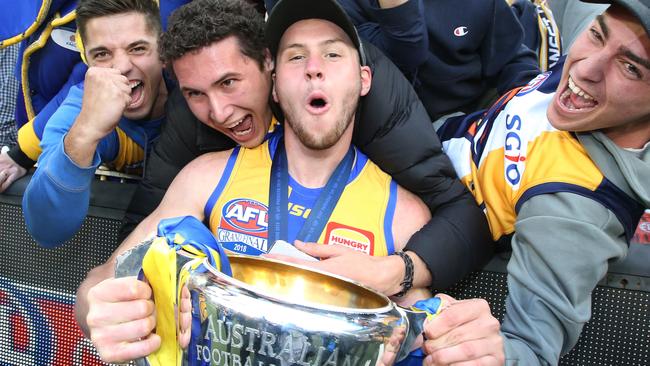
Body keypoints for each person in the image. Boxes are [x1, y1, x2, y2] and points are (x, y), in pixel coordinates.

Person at [76, 0, 434, 362]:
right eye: (296, 58)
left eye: (331, 56)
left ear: (363, 80)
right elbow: (99, 283)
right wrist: (106, 313)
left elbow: (427, 332)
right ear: (275, 84)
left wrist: (455, 340)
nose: (314, 70)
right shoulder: (205, 175)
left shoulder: (403, 213)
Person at [120, 0, 492, 292]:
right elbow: (141, 234)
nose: (218, 111)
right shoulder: (194, 117)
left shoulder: (378, 105)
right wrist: (127, 296)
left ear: (267, 69)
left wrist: (397, 272)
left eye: (230, 82)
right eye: (197, 93)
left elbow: (459, 213)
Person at [419, 1, 650, 364]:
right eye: (596, 34)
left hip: (411, 215)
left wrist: (491, 354)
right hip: (428, 127)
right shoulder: (591, 74)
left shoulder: (577, 208)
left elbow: (531, 349)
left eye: (630, 68)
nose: (585, 68)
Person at [20, 0, 169, 248]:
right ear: (86, 60)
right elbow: (46, 229)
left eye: (137, 48)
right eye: (102, 54)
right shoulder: (80, 108)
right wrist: (85, 133)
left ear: (163, 51)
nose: (121, 67)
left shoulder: (195, 88)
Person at [336, 0, 541, 122]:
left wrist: (530, 105)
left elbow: (512, 58)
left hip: (475, 111)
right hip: (394, 125)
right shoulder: (344, 7)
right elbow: (405, 53)